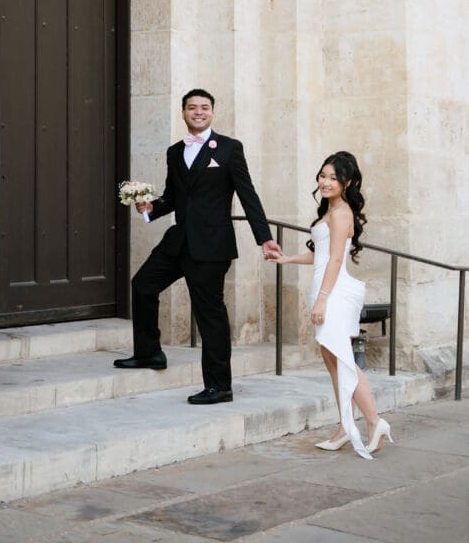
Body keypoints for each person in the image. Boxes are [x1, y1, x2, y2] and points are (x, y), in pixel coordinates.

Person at [114, 89, 282, 404]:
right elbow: (173, 197)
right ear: (183, 113)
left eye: (204, 107)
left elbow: (248, 195)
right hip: (179, 242)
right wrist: (150, 208)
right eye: (192, 107)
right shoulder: (175, 152)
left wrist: (265, 237)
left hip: (212, 246)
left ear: (212, 113)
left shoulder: (230, 149)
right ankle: (150, 353)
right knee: (142, 285)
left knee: (209, 314)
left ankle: (220, 386)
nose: (198, 112)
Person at [269, 151, 393, 458]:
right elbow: (321, 255)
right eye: (322, 176)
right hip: (325, 288)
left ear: (346, 182)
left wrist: (323, 299)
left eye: (333, 178)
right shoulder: (330, 210)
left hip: (334, 293)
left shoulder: (341, 213)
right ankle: (344, 427)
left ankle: (375, 422)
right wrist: (286, 258)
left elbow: (337, 259)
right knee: (333, 362)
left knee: (343, 361)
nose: (325, 182)